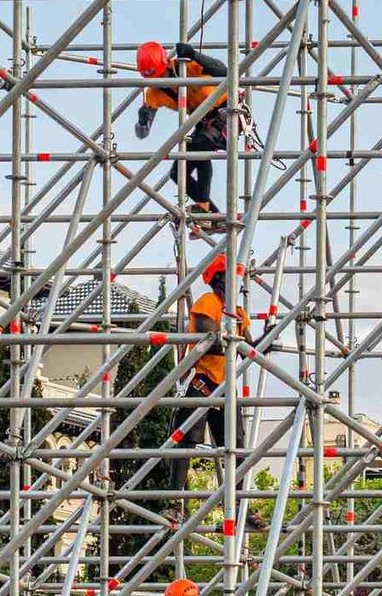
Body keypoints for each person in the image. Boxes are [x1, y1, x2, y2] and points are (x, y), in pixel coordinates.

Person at [168, 252, 252, 496]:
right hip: (200, 381)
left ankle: (236, 500)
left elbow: (249, 349)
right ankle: (175, 499)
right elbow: (211, 340)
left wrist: (268, 336)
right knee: (186, 439)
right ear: (219, 279)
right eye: (231, 276)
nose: (236, 282)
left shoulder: (238, 312)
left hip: (224, 385)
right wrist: (233, 338)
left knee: (235, 445)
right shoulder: (208, 303)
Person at [134, 40, 229, 218]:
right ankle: (211, 214)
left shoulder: (189, 66)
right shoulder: (154, 92)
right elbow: (142, 133)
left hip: (227, 112)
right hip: (204, 122)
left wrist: (195, 55)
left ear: (167, 64)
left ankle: (203, 208)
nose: (162, 83)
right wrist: (142, 121)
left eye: (163, 76)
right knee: (178, 173)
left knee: (200, 148)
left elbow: (224, 72)